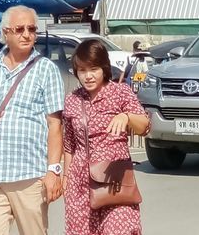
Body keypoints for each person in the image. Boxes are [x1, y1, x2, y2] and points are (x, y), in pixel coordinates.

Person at [0, 6, 65, 235]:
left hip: (30, 175)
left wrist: (54, 170)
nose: (27, 34)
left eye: (32, 29)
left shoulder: (46, 70)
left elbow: (55, 124)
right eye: (20, 29)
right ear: (6, 33)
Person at [63, 38, 151, 235]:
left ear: (104, 67)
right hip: (81, 184)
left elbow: (144, 126)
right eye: (82, 71)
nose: (88, 76)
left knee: (119, 229)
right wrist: (67, 181)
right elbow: (69, 146)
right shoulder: (72, 100)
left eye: (93, 69)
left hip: (115, 180)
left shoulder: (120, 93)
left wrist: (126, 116)